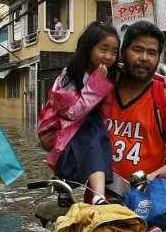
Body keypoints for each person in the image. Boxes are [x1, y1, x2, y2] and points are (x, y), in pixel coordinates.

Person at [106, 20, 166, 182]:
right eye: (137, 50)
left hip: (143, 201)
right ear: (122, 52)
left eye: (152, 53)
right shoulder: (101, 85)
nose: (144, 58)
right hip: (97, 199)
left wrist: (149, 179)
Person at [45, 22, 119, 201]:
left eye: (114, 52)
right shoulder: (69, 75)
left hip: (92, 135)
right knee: (91, 131)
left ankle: (98, 195)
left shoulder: (111, 72)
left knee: (96, 135)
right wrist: (96, 84)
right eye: (103, 49)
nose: (109, 56)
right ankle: (96, 194)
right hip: (67, 135)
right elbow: (72, 113)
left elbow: (140, 74)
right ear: (88, 48)